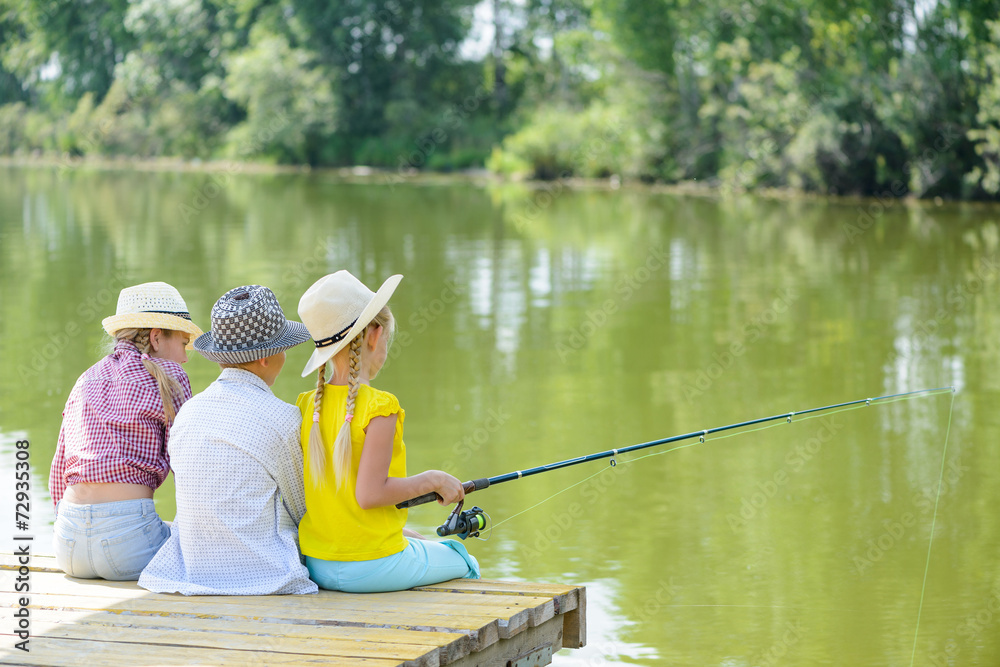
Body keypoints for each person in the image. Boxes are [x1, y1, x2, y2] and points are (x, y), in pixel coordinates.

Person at [294, 270, 480, 593]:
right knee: (464, 560)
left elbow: (345, 506)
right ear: (374, 336)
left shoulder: (307, 406)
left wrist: (402, 533)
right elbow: (369, 495)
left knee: (418, 541)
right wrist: (434, 479)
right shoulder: (379, 406)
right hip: (372, 568)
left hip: (318, 565)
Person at [138, 285, 318, 595]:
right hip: (265, 575)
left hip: (194, 572)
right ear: (266, 358)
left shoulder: (188, 414)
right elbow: (302, 508)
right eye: (283, 347)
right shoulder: (283, 418)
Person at [49, 281, 204, 580]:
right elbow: (190, 466)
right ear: (157, 337)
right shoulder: (169, 375)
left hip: (67, 545)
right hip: (127, 545)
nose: (185, 357)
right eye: (184, 344)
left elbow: (59, 467)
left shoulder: (86, 378)